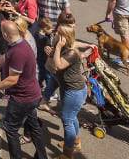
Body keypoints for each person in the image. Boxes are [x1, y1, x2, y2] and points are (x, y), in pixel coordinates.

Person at [0, 20, 49, 159]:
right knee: (34, 126)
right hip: (33, 95)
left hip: (22, 98)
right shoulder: (18, 43)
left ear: (5, 34)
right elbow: (4, 58)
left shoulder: (19, 52)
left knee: (11, 129)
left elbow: (12, 79)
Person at [48, 25, 87, 158]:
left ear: (64, 37)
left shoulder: (71, 52)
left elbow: (58, 65)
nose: (55, 35)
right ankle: (76, 142)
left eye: (57, 34)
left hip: (74, 91)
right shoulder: (65, 48)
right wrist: (53, 51)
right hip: (69, 89)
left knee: (67, 120)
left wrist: (57, 48)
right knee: (71, 117)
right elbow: (52, 65)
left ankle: (67, 154)